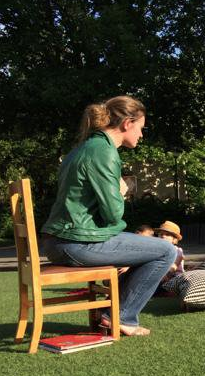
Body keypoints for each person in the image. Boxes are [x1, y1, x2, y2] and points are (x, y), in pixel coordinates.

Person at [40, 95, 176, 336]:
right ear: (127, 124)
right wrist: (121, 191)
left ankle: (111, 313)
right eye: (141, 128)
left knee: (145, 248)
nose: (142, 135)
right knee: (166, 251)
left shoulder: (84, 147)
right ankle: (120, 317)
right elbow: (113, 215)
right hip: (75, 242)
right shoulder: (104, 152)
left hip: (60, 240)